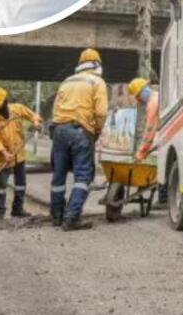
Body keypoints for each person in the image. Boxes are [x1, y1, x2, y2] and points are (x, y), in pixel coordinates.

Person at [49, 47, 109, 230]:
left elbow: (55, 109)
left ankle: (57, 216)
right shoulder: (97, 82)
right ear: (97, 64)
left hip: (59, 130)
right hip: (80, 131)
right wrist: (96, 131)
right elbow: (101, 112)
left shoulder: (66, 81)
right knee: (83, 176)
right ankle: (71, 218)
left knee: (58, 176)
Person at [0, 85, 42, 219]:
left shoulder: (18, 109)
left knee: (20, 183)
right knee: (1, 185)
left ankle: (18, 209)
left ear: (5, 100)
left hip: (19, 155)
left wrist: (36, 122)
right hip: (3, 158)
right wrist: (4, 153)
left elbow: (33, 116)